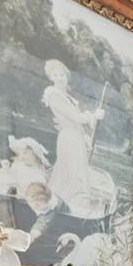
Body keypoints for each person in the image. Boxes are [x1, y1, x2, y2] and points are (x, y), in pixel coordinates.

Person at [42, 59, 105, 220]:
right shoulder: (54, 95)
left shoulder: (66, 96)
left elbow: (78, 120)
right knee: (71, 171)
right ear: (51, 78)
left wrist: (94, 119)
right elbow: (75, 117)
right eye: (55, 75)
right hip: (69, 138)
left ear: (67, 75)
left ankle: (74, 207)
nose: (59, 77)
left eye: (62, 74)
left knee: (77, 170)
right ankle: (64, 205)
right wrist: (94, 115)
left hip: (75, 137)